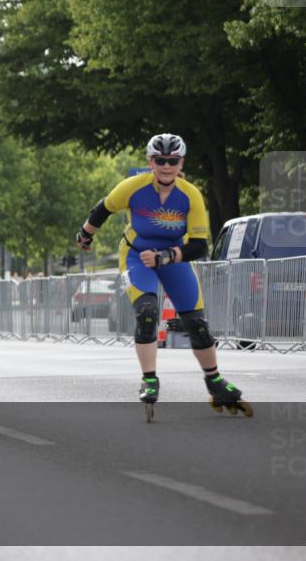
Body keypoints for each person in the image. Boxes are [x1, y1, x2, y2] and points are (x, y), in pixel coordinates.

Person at [76, 133, 251, 421]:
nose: (166, 166)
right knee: (147, 311)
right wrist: (85, 235)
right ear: (150, 162)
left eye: (173, 161)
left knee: (197, 324)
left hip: (173, 257)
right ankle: (149, 378)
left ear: (181, 163)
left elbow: (198, 246)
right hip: (136, 256)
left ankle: (215, 382)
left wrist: (166, 257)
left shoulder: (190, 195)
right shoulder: (133, 187)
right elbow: (103, 208)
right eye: (160, 161)